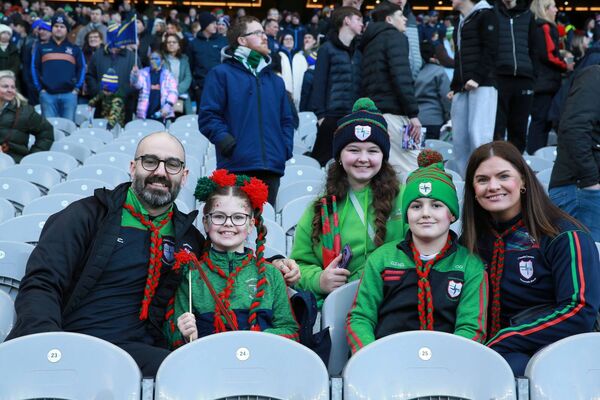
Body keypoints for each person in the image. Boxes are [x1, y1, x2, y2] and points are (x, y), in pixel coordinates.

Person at [6, 132, 203, 376]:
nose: (160, 172)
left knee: (189, 373)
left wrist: (264, 266)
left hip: (140, 352)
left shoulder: (188, 239)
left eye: (172, 164)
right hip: (73, 340)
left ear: (184, 177)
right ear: (133, 167)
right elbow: (42, 282)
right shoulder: (86, 216)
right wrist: (47, 345)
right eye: (150, 161)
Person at [461, 141, 600, 376]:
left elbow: (580, 311)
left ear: (523, 180)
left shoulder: (565, 235)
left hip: (552, 350)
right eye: (482, 180)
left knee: (501, 370)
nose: (493, 186)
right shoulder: (471, 240)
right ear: (473, 190)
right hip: (486, 347)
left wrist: (506, 338)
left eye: (504, 176)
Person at [346, 150, 487, 353]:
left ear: (452, 214)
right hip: (387, 363)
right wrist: (371, 356)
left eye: (437, 205)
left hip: (446, 367)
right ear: (406, 214)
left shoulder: (469, 264)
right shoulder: (382, 258)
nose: (426, 214)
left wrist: (443, 361)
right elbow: (361, 318)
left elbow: (471, 328)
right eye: (416, 206)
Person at [290, 98, 407, 306]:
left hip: (393, 301)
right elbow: (299, 265)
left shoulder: (404, 198)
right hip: (341, 306)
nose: (363, 158)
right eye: (353, 150)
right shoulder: (320, 208)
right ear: (340, 156)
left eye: (373, 151)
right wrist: (320, 280)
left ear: (384, 156)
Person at [164, 169, 299, 348]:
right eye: (219, 216)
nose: (228, 223)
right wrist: (183, 334)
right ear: (206, 222)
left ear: (251, 224)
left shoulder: (272, 275)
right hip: (208, 366)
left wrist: (252, 339)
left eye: (238, 217)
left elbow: (290, 331)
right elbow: (173, 337)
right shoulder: (191, 274)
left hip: (260, 366)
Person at [198, 16, 294, 206]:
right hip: (237, 166)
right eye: (257, 33)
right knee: (236, 229)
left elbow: (287, 120)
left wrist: (284, 148)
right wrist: (228, 143)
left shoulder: (275, 81)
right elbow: (208, 116)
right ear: (242, 40)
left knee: (264, 230)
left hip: (271, 167)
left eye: (264, 32)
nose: (264, 37)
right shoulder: (221, 74)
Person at [360, 1, 422, 175]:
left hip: (375, 115)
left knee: (386, 171)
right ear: (389, 19)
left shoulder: (370, 42)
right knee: (412, 168)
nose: (404, 19)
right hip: (395, 116)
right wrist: (413, 114)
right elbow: (401, 76)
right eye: (400, 16)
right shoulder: (395, 37)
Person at [549, 65, 600, 242]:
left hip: (585, 190)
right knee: (583, 265)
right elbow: (574, 129)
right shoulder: (595, 76)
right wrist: (591, 181)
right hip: (581, 191)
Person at [448, 0, 498, 177]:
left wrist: (477, 77)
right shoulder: (461, 21)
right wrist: (455, 86)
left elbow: (491, 49)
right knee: (460, 140)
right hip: (463, 87)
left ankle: (485, 179)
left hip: (482, 85)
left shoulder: (487, 14)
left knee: (479, 136)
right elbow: (459, 57)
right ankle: (467, 183)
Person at [308, 6, 363, 167]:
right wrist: (321, 116)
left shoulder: (359, 50)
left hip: (353, 116)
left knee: (349, 164)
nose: (362, 24)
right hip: (331, 117)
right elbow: (318, 83)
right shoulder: (327, 48)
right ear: (346, 21)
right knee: (324, 162)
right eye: (358, 19)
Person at [527, 0, 572, 155]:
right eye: (553, 6)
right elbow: (548, 55)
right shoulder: (545, 27)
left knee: (540, 122)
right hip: (545, 83)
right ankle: (537, 158)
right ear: (545, 9)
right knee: (542, 122)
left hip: (539, 82)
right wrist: (565, 65)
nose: (556, 10)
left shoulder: (533, 26)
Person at [493, 0, 537, 154]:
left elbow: (534, 47)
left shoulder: (528, 15)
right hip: (500, 78)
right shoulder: (492, 13)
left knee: (519, 128)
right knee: (497, 127)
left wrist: (532, 75)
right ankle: (498, 163)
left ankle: (516, 165)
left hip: (524, 78)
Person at [32, 13, 85, 121]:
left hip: (69, 95)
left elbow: (82, 68)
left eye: (62, 26)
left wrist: (77, 88)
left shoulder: (75, 49)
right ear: (52, 29)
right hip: (47, 95)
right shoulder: (41, 48)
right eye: (56, 26)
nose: (59, 29)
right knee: (48, 130)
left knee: (68, 129)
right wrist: (40, 88)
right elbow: (34, 68)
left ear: (67, 30)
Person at [0, 70, 53, 162]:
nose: (10, 90)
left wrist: (31, 158)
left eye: (13, 87)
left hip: (15, 163)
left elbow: (46, 132)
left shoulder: (26, 111)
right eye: (5, 86)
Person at [187, 11, 227, 108]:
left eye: (216, 23)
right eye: (212, 23)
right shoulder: (194, 43)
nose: (216, 26)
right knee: (202, 115)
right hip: (201, 87)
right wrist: (195, 86)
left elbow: (227, 63)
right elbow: (189, 66)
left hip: (219, 85)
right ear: (205, 24)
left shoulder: (223, 41)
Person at [130, 45, 178, 122]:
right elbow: (137, 85)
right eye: (152, 59)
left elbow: (173, 92)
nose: (153, 61)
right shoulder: (143, 73)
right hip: (145, 113)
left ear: (162, 61)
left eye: (156, 59)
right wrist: (134, 76)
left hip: (162, 114)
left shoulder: (168, 75)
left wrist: (168, 105)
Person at [415, 40, 451, 140]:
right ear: (434, 55)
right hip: (434, 121)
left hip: (412, 121)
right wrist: (448, 116)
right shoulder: (438, 71)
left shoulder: (410, 72)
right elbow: (446, 97)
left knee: (412, 154)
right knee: (431, 154)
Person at [163, 33, 192, 115]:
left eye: (174, 42)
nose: (171, 44)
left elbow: (188, 78)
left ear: (179, 45)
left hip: (181, 95)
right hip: (166, 96)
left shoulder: (184, 60)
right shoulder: (162, 60)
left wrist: (175, 92)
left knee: (182, 122)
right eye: (168, 42)